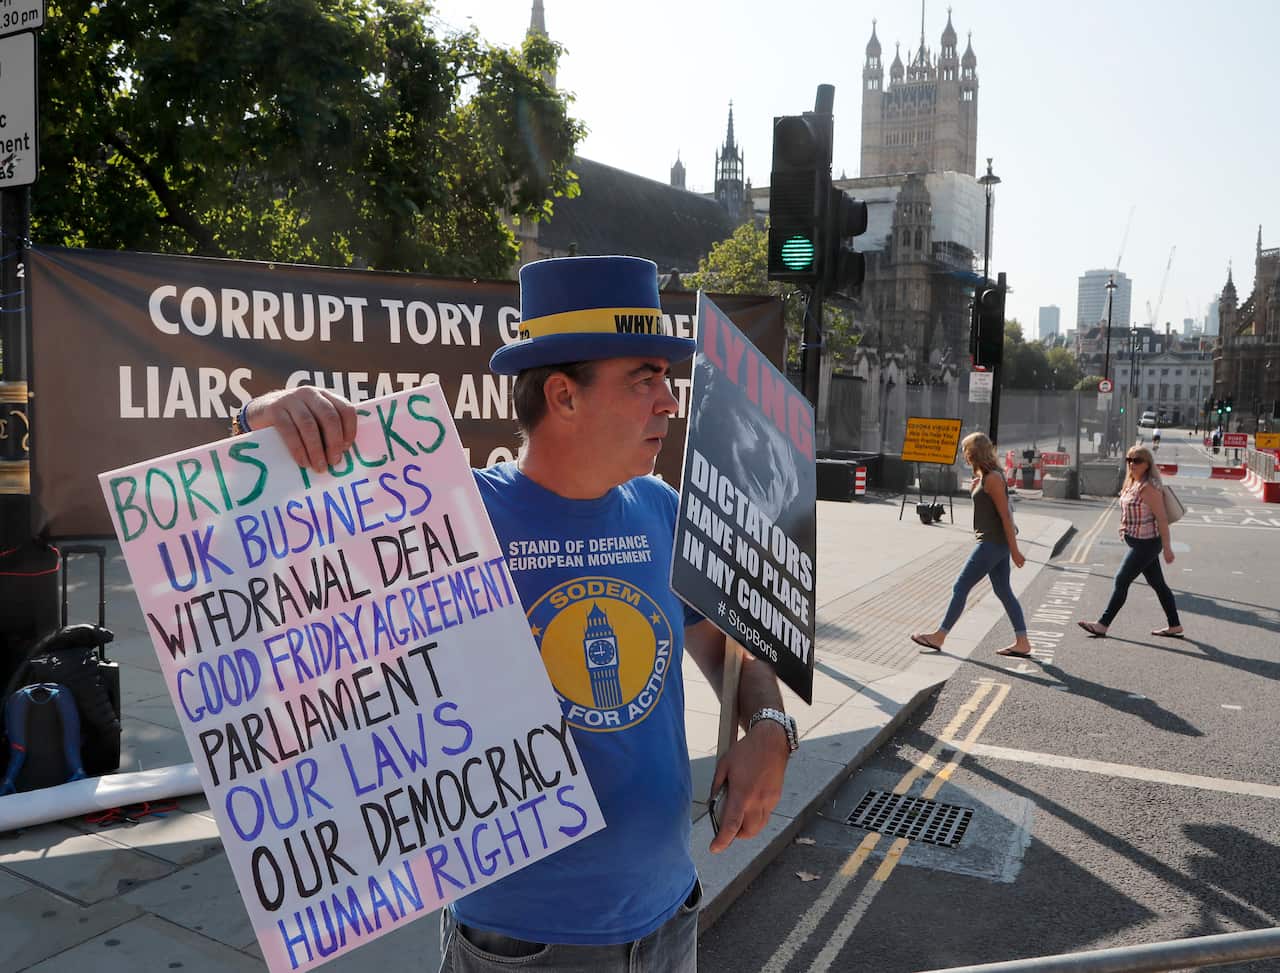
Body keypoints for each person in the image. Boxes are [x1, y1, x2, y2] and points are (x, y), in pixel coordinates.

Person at [239, 255, 794, 972]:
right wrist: (262, 421)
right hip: (522, 943)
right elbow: (263, 572)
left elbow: (728, 652)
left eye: (667, 378)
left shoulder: (661, 510)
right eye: (644, 378)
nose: (668, 401)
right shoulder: (453, 513)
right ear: (563, 396)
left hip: (670, 917)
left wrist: (771, 727)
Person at [910, 432, 1032, 659]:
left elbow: (1006, 516)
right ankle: (1022, 641)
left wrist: (1015, 551)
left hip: (992, 543)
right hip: (995, 542)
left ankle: (939, 636)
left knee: (960, 586)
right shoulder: (986, 477)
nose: (963, 454)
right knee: (1003, 591)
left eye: (966, 450)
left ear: (974, 453)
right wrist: (976, 486)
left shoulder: (993, 478)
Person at [1078, 445, 1182, 639]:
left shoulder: (1148, 487)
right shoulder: (1132, 482)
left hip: (1148, 543)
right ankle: (1174, 625)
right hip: (1137, 542)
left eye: (1137, 460)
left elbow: (1161, 519)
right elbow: (1130, 510)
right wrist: (1124, 527)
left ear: (1147, 464)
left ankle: (1103, 624)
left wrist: (1167, 548)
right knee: (1158, 584)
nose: (1132, 464)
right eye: (1129, 460)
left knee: (1121, 579)